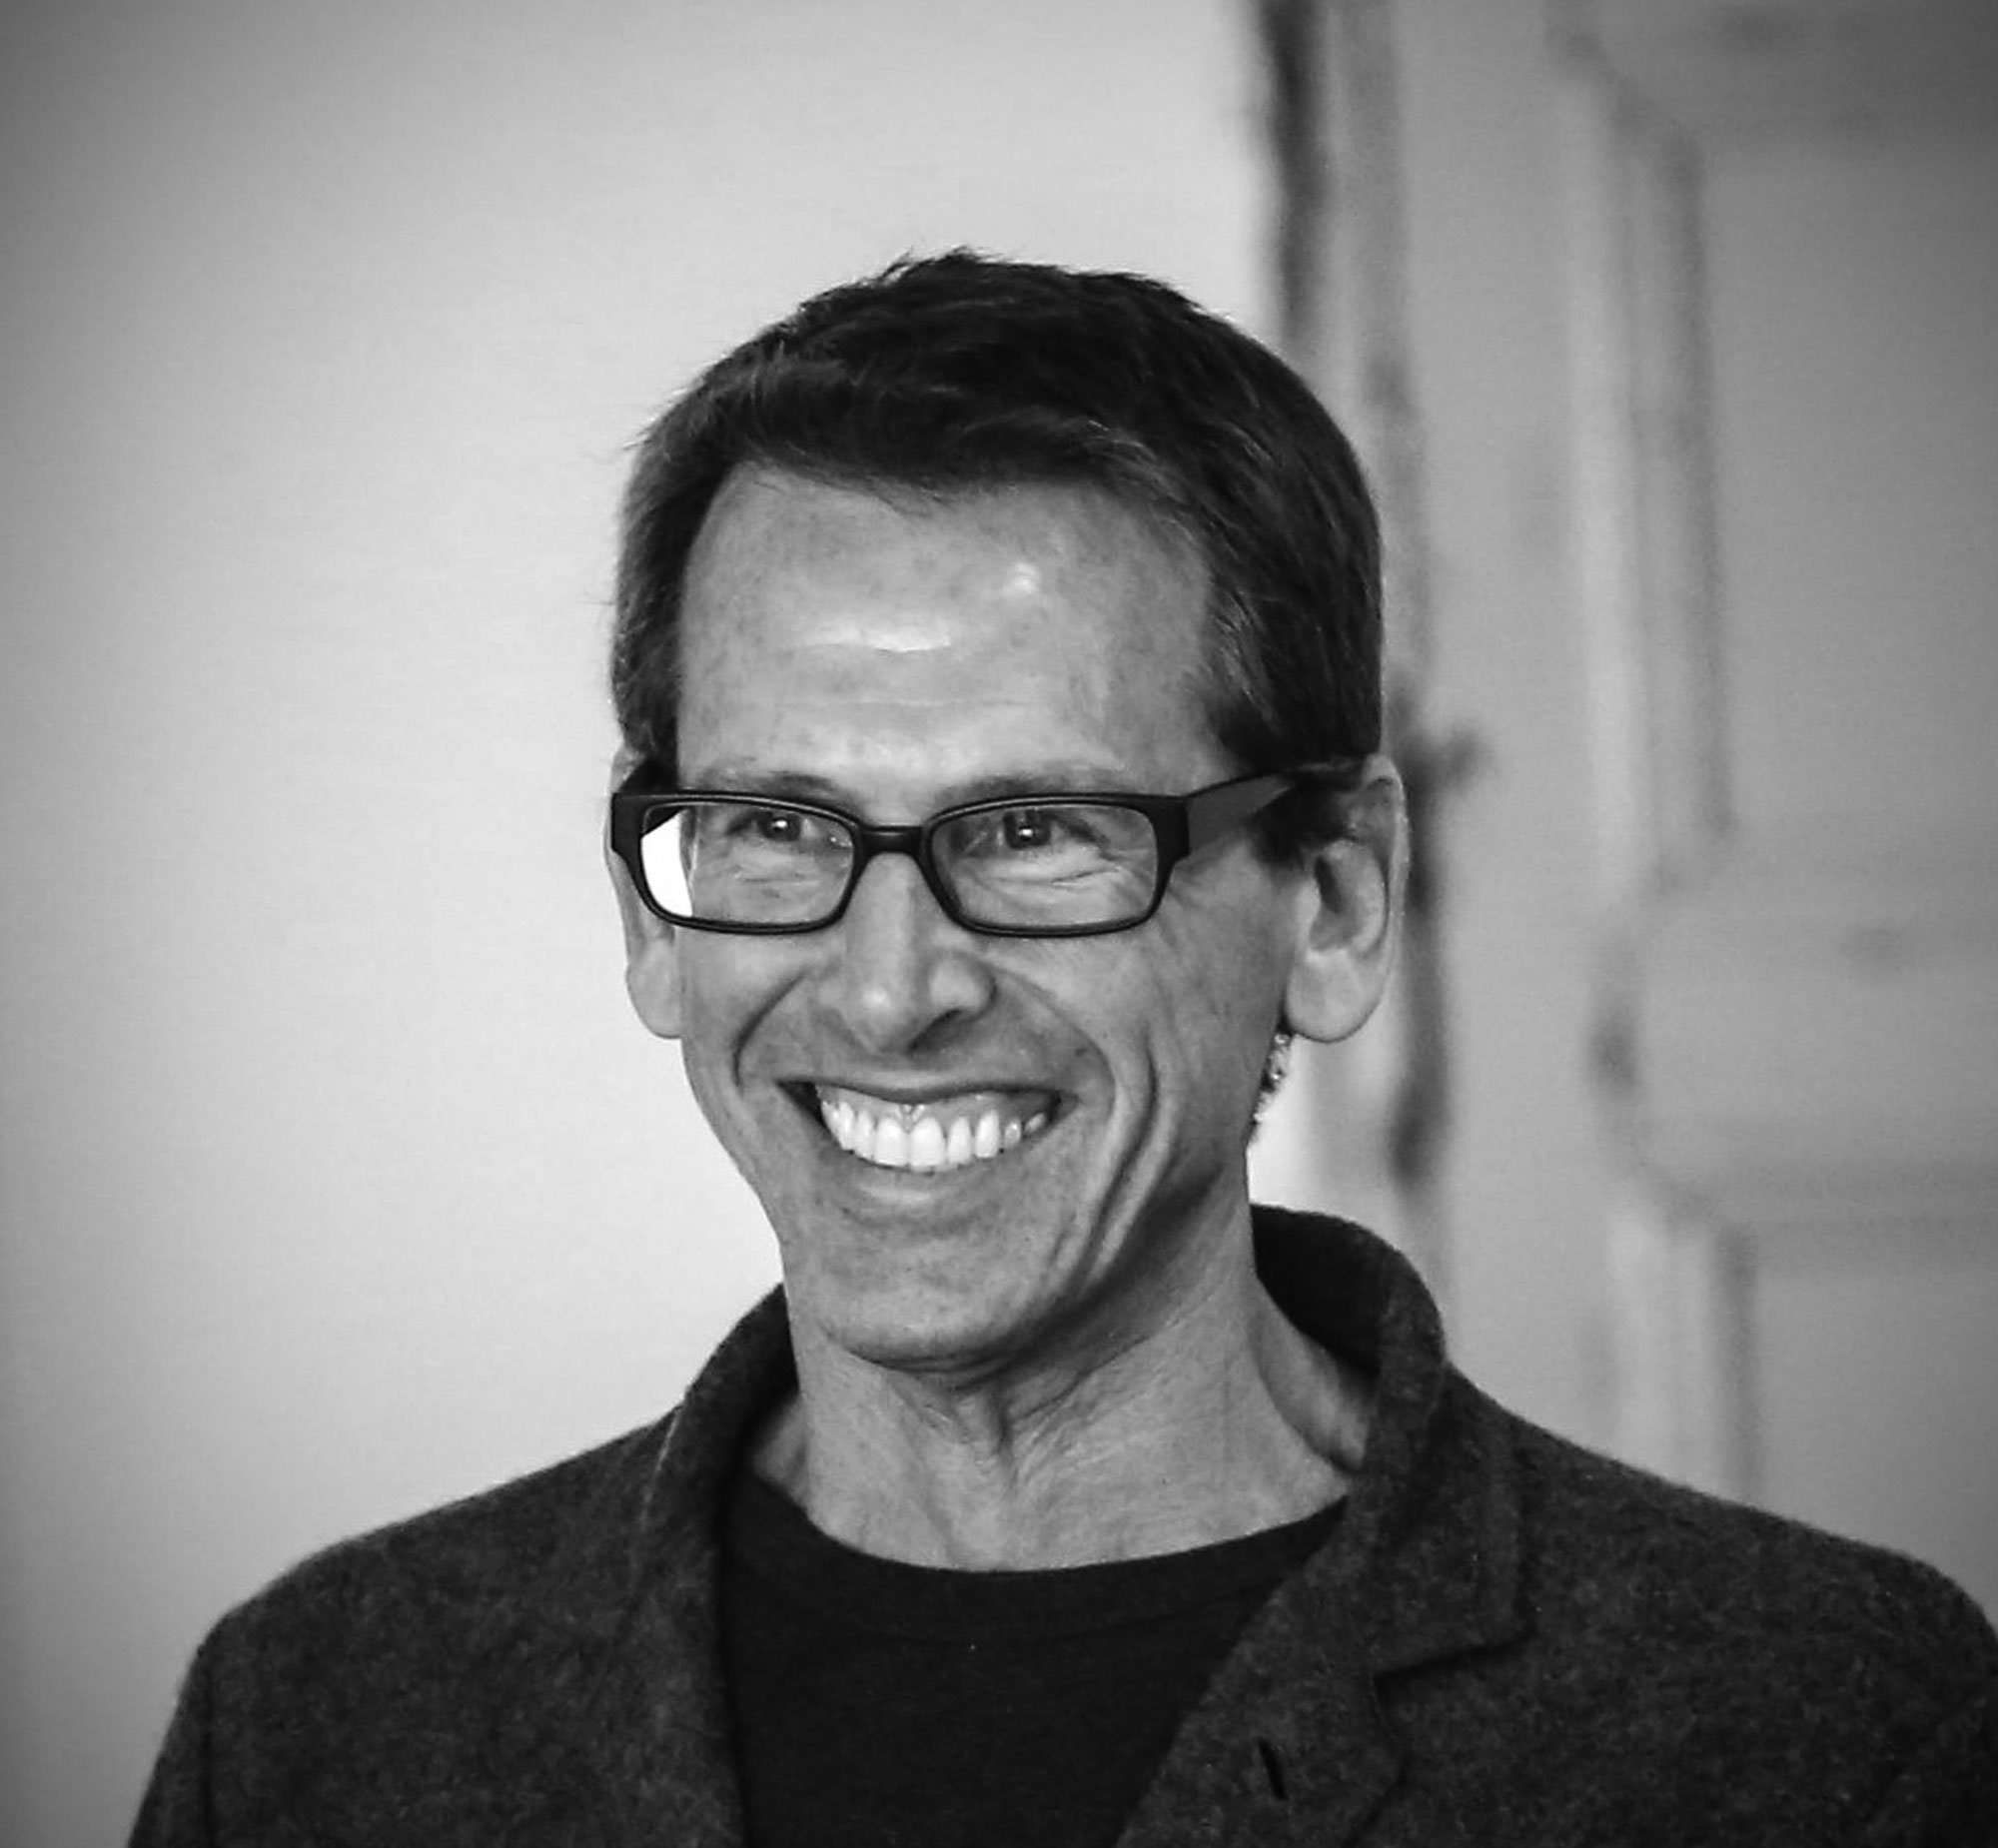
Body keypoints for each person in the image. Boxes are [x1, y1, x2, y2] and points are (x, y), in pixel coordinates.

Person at [132, 252, 1997, 1846]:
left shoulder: (1822, 1742)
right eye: (775, 825)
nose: (890, 991)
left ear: (1335, 901)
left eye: (1034, 832)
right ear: (649, 910)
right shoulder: (315, 1725)